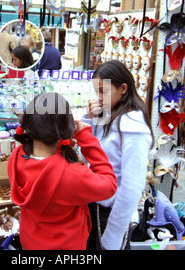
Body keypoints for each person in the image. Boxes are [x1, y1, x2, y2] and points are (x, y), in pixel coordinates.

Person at [8, 92, 117, 250]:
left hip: (31, 242)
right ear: (66, 129)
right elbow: (109, 185)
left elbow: (45, 164)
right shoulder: (73, 175)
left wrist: (62, 145)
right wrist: (87, 138)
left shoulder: (17, 157)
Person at [83, 60, 154, 250]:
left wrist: (113, 235)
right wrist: (92, 120)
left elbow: (132, 187)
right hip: (96, 204)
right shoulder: (110, 115)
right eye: (96, 91)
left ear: (123, 88)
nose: (98, 97)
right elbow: (92, 156)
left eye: (103, 91)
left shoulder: (132, 127)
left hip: (111, 211)